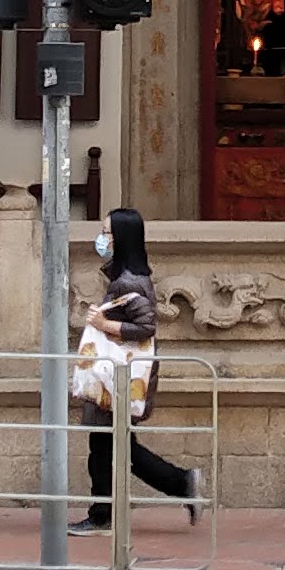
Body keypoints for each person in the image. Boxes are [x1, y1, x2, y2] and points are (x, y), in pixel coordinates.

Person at [71, 207, 200, 534]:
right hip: (113, 377)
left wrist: (104, 323)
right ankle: (177, 484)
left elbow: (145, 326)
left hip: (115, 378)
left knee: (107, 448)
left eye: (107, 233)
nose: (102, 239)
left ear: (122, 239)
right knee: (111, 446)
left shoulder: (131, 282)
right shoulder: (125, 277)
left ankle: (107, 513)